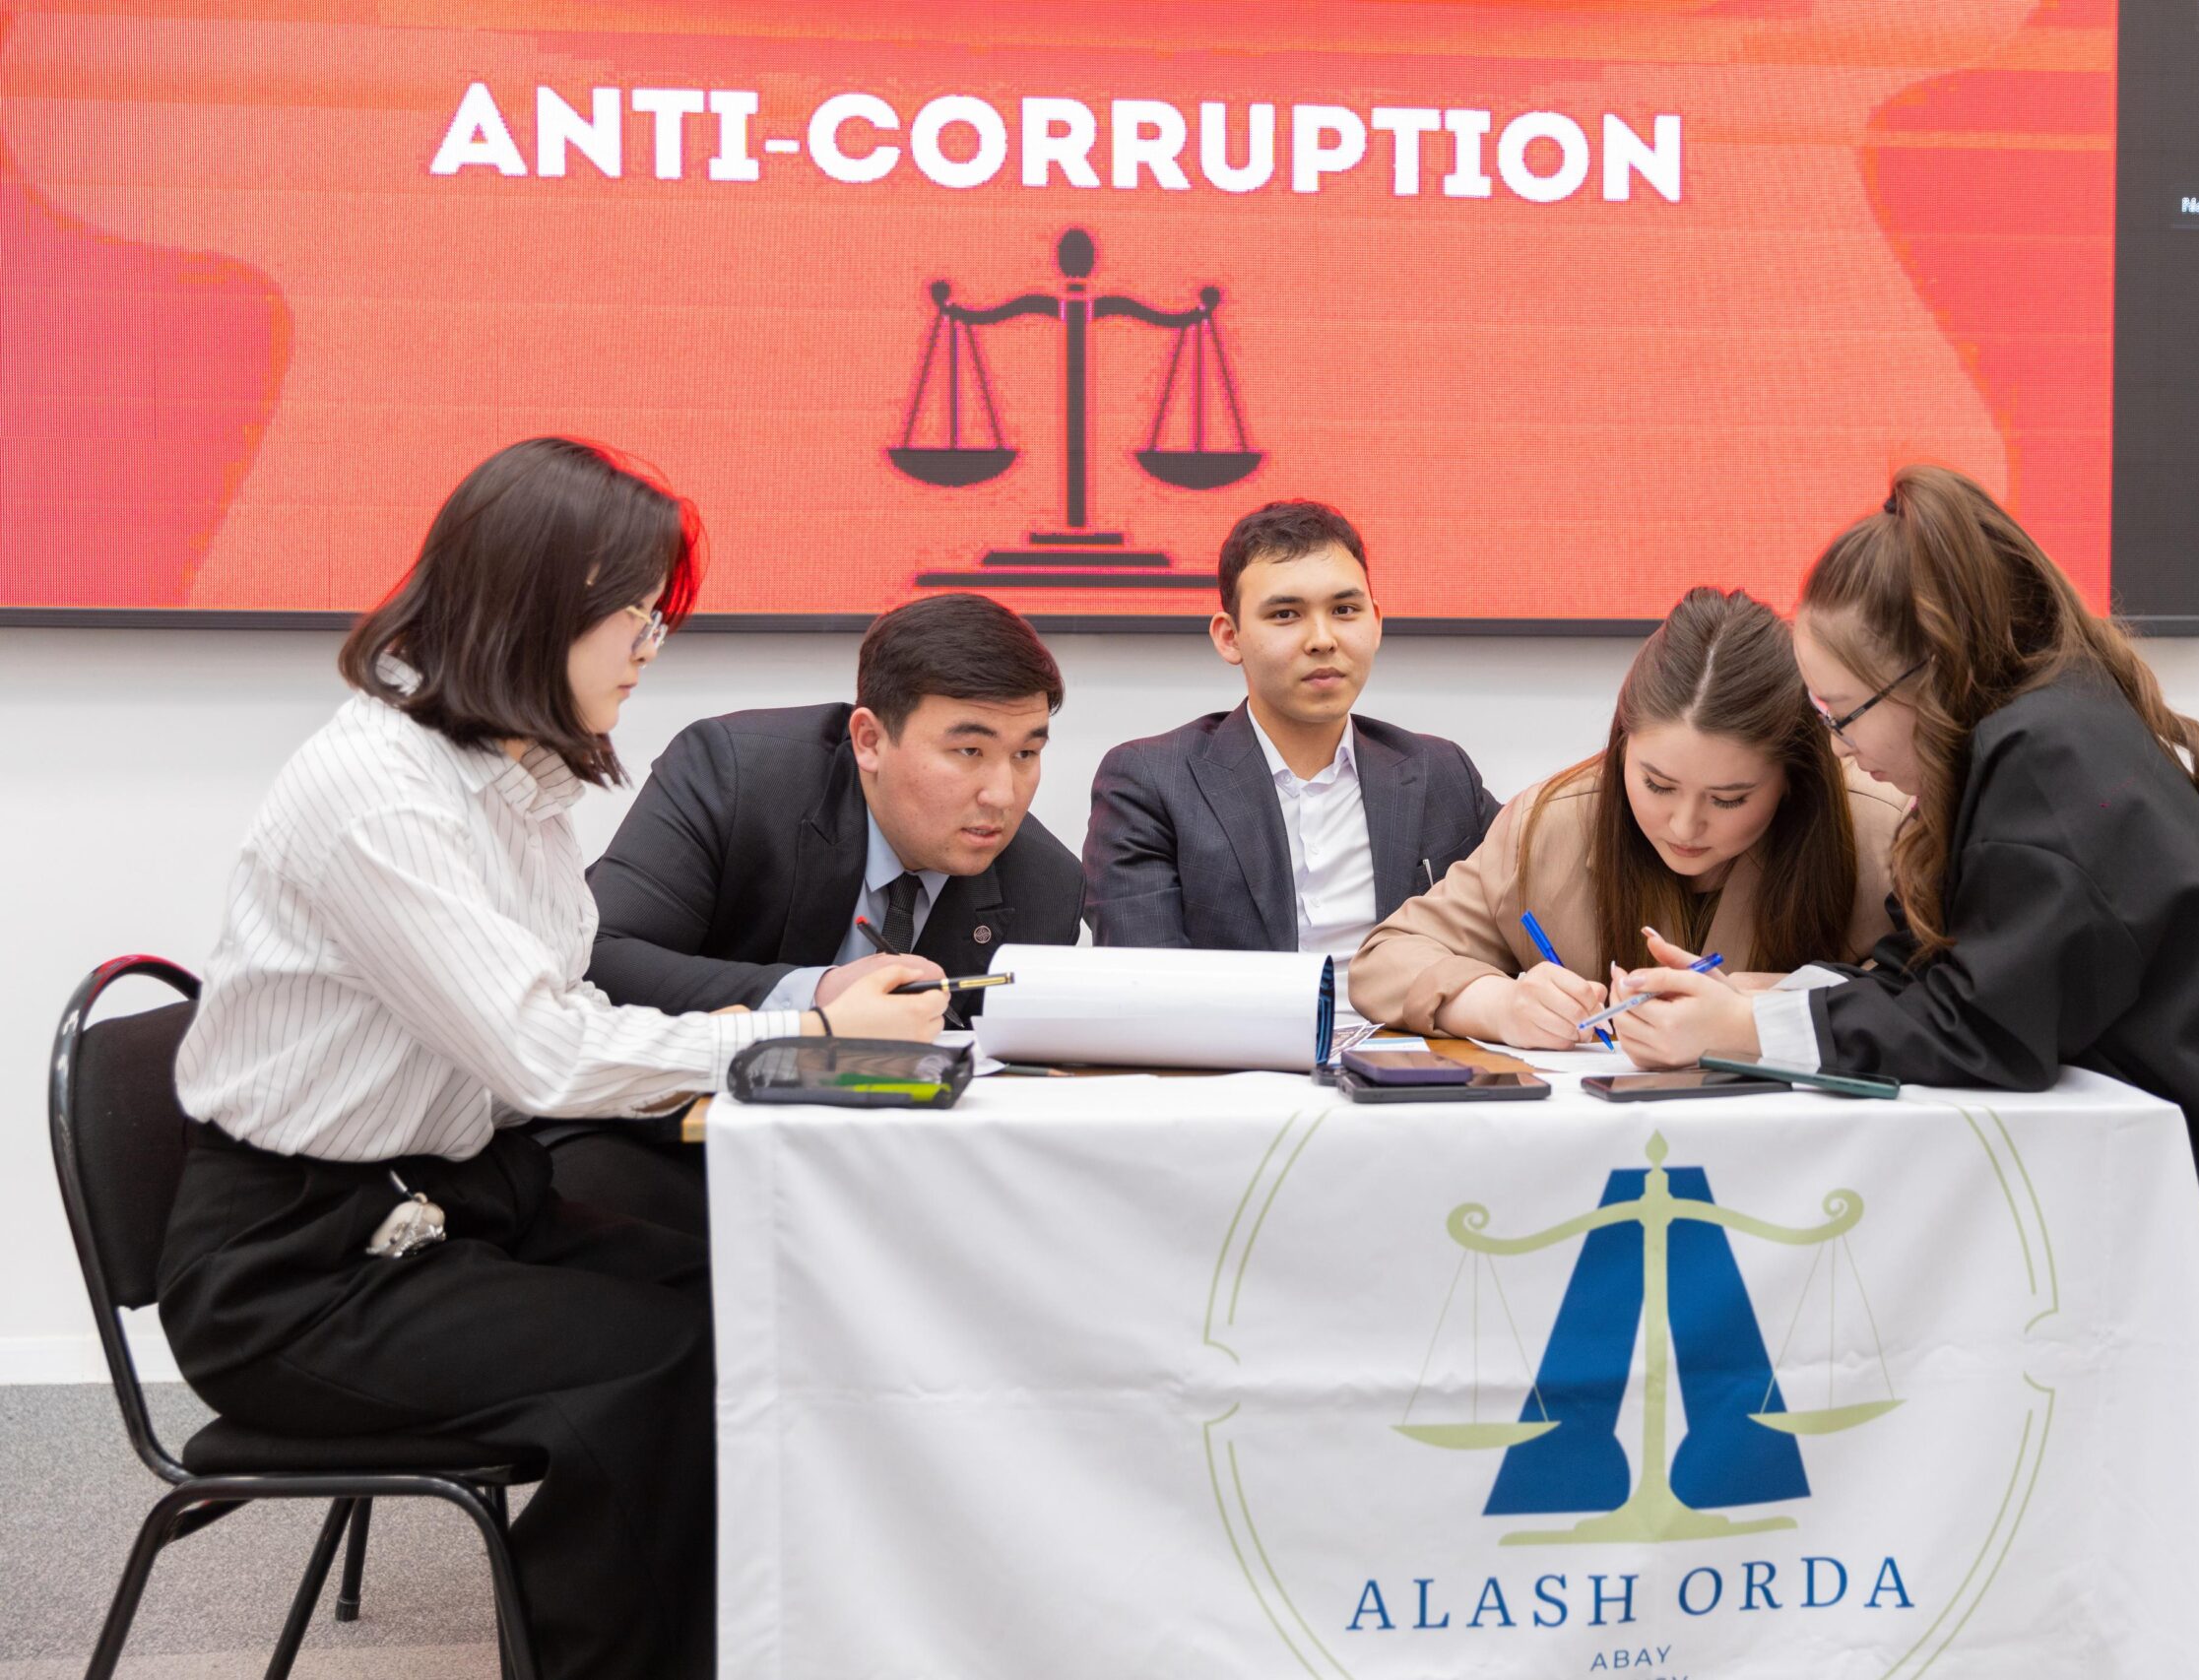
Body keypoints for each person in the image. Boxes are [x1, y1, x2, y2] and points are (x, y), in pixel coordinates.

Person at [161, 437, 945, 1680]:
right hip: (298, 1269)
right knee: (665, 1360)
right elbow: (542, 1049)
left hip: (449, 1205)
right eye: (637, 617)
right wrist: (805, 1034)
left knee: (756, 1294)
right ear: (537, 603)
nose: (650, 648)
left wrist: (793, 1044)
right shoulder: (378, 794)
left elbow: (557, 1012)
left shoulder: (511, 780)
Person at [1617, 465, 2199, 1443]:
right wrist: (1763, 996)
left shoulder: (2046, 764)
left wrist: (1750, 1027)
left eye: (1839, 712)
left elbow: (1984, 1030)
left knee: (1930, 1348)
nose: (1837, 746)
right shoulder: (2042, 730)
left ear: (1923, 677)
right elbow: (1955, 973)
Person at [560, 591, 1081, 1233]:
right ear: (869, 740)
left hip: (898, 1195)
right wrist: (818, 999)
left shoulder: (1045, 887)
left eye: (1026, 754)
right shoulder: (738, 774)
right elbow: (598, 957)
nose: (1002, 794)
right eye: (969, 752)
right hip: (680, 1157)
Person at [1349, 588, 1902, 1047]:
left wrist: (1762, 1011)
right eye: (1657, 785)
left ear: (1793, 779)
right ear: (1620, 749)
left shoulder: (1878, 830)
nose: (1684, 826)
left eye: (1728, 799)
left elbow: (1933, 1002)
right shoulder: (1551, 825)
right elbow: (1384, 960)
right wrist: (1498, 1005)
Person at [1084, 499, 1499, 1010]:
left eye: (1344, 611)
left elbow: (1528, 908)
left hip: (1413, 1050)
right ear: (1230, 637)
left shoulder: (1440, 772)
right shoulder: (1151, 781)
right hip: (1235, 1053)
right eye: (1286, 615)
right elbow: (1147, 986)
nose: (1322, 640)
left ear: (1375, 623)